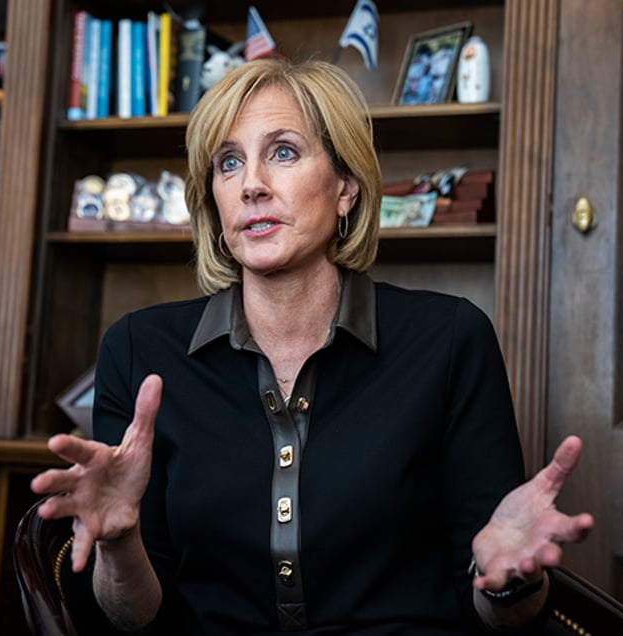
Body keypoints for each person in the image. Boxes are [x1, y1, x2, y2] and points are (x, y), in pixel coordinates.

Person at [31, 58, 593, 635]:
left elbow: (500, 610)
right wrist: (121, 544)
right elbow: (134, 618)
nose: (252, 184)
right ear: (214, 202)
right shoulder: (139, 349)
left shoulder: (450, 340)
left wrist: (509, 581)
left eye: (283, 152)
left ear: (346, 187)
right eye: (229, 163)